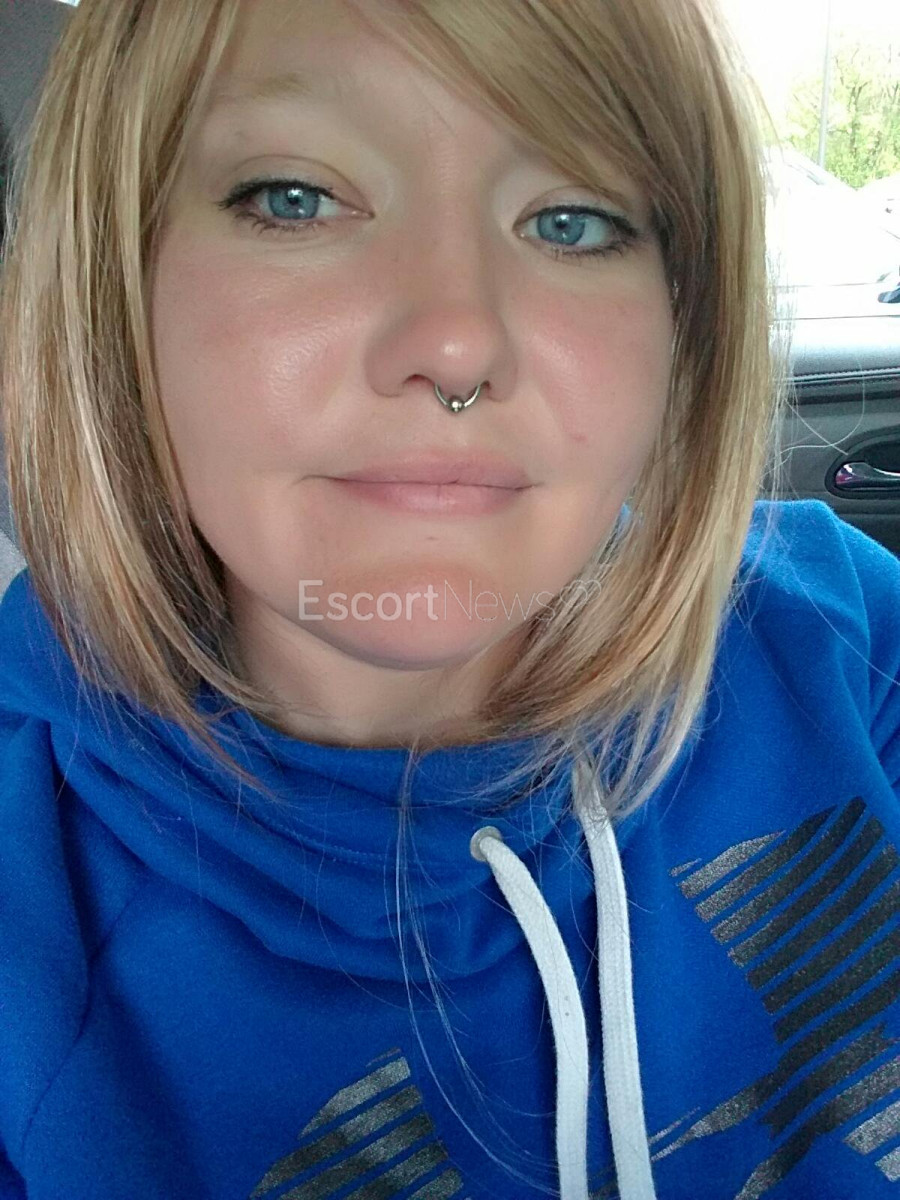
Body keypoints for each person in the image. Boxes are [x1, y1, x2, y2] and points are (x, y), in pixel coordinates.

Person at [0, 0, 898, 1197]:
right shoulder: (31, 920)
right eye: (295, 197)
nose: (459, 343)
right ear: (117, 288)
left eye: (573, 221)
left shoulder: (841, 643)